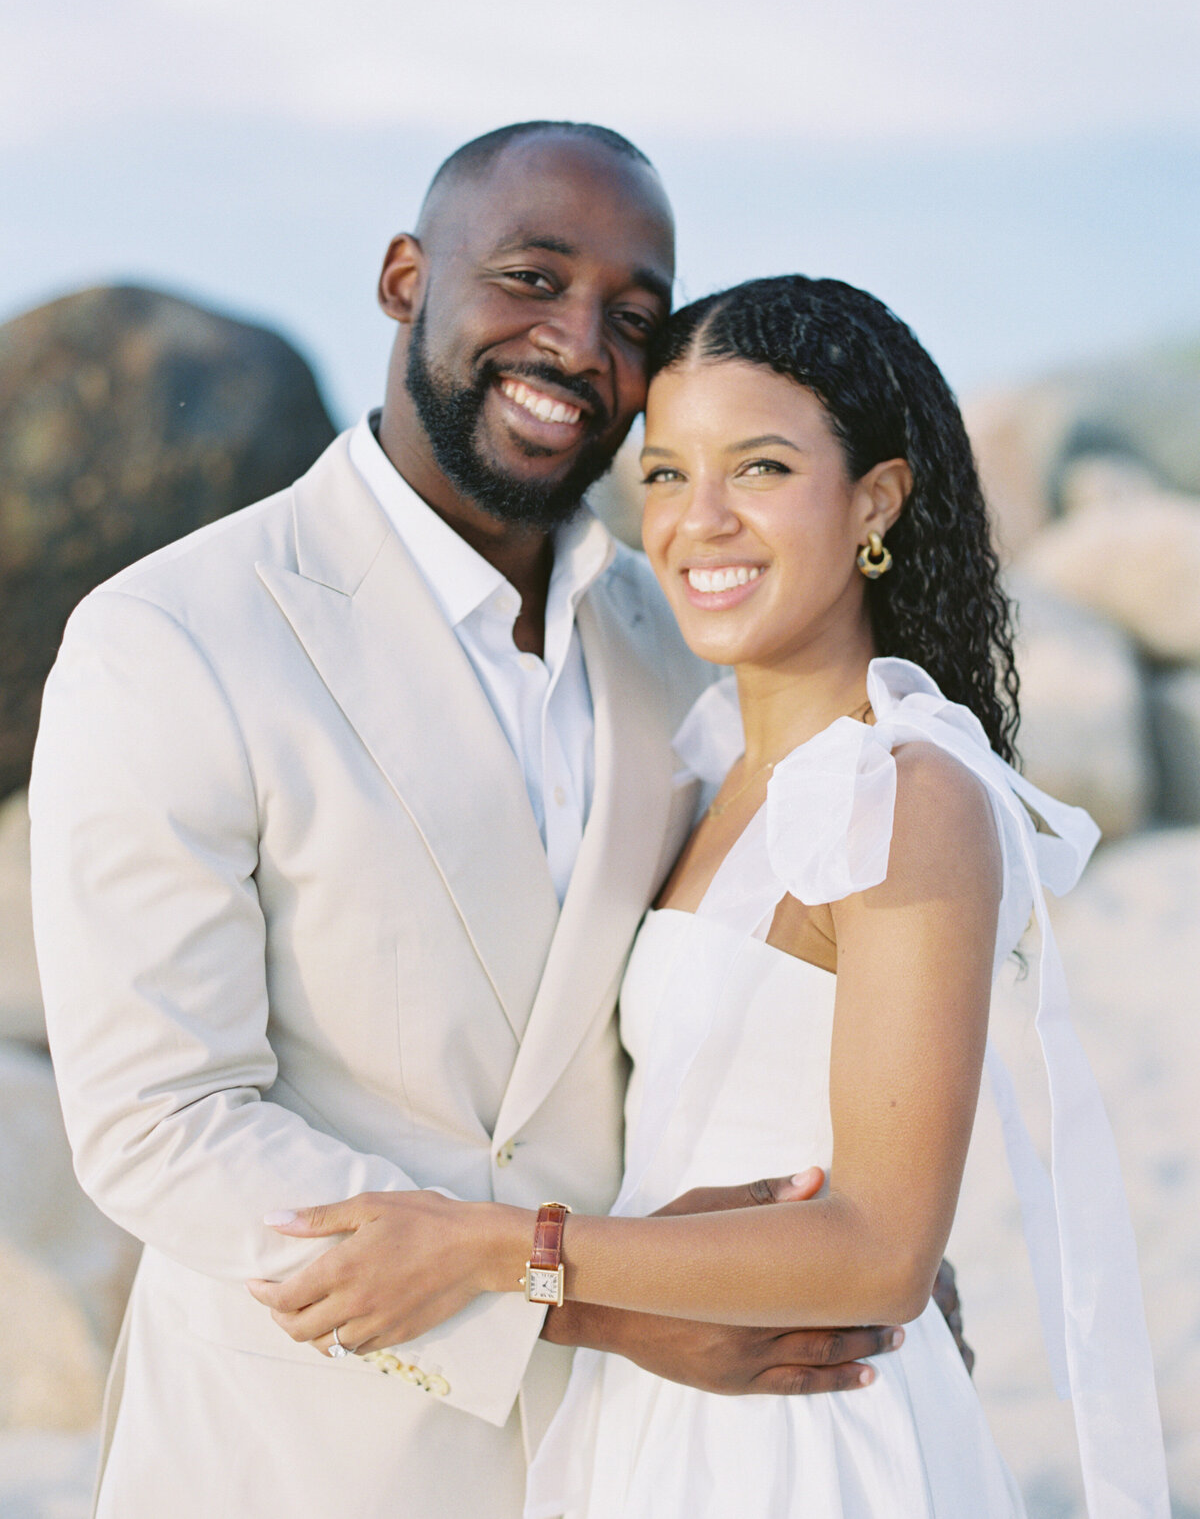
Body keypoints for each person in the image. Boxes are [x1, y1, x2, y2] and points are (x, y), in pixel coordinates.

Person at [30, 128, 918, 1519]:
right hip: (293, 1454)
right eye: (530, 277)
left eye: (632, 317)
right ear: (403, 279)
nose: (576, 344)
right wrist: (588, 1300)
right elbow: (165, 1120)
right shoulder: (171, 636)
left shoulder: (675, 640)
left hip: (634, 1452)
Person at [250, 276, 1169, 1518]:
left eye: (763, 469)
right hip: (659, 1400)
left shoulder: (906, 787)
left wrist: (492, 1249)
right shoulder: (703, 771)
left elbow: (886, 1250)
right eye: (670, 473)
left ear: (876, 503)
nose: (700, 521)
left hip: (797, 1442)